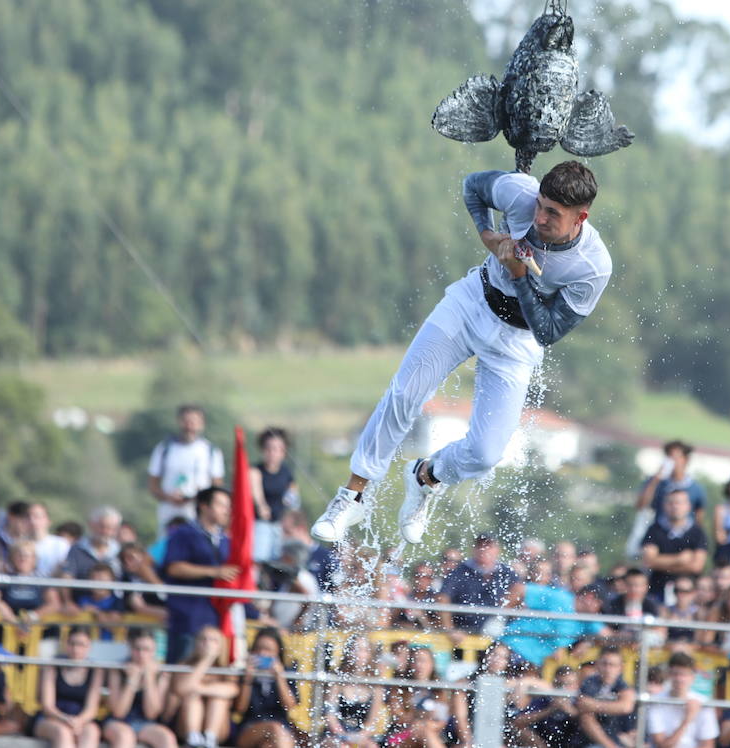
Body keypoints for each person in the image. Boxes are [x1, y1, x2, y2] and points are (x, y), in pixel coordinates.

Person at [311, 162, 612, 544]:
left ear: (580, 218)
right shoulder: (519, 193)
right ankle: (352, 496)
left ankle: (425, 477)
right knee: (405, 392)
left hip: (517, 342)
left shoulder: (593, 266)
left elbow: (548, 330)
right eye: (540, 205)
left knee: (486, 453)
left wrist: (520, 276)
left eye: (552, 213)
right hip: (472, 303)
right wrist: (487, 233)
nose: (539, 217)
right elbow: (473, 186)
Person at [163, 486, 238, 663]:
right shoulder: (183, 533)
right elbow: (174, 567)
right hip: (188, 616)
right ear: (204, 506)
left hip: (216, 617)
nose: (226, 510)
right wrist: (215, 572)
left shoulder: (226, 540)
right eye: (221, 504)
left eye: (228, 505)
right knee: (181, 668)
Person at [148, 404, 225, 532]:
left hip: (198, 510)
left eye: (194, 422)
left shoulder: (211, 451)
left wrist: (200, 497)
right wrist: (168, 497)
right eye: (186, 421)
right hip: (170, 511)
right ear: (179, 422)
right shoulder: (164, 449)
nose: (190, 426)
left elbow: (216, 485)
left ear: (201, 424)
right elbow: (153, 484)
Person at [103, 628, 177, 748]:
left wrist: (149, 678)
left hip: (146, 723)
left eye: (146, 649)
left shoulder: (161, 674)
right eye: (137, 649)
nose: (142, 654)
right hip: (118, 723)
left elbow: (151, 713)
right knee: (125, 737)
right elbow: (119, 712)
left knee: (167, 738)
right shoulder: (117, 670)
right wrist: (132, 680)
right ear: (131, 649)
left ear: (153, 651)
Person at [34, 626, 105, 748]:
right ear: (66, 644)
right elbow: (48, 706)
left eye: (81, 645)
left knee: (92, 731)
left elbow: (91, 709)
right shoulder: (53, 666)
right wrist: (67, 720)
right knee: (63, 733)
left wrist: (78, 721)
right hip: (52, 718)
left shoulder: (95, 670)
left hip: (81, 720)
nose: (76, 649)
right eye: (72, 644)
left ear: (89, 647)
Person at [438, 531, 518, 634]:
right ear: (474, 549)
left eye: (489, 546)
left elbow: (519, 589)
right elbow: (443, 598)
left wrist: (498, 616)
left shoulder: (506, 572)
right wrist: (450, 630)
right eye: (480, 545)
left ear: (497, 550)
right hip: (463, 631)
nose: (484, 549)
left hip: (496, 633)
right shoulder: (460, 571)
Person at [232, 628, 299, 748]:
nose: (262, 653)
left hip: (280, 729)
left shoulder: (287, 673)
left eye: (268, 649)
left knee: (267, 745)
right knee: (274, 728)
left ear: (278, 653)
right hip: (250, 727)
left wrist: (279, 678)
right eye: (258, 648)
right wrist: (247, 680)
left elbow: (289, 705)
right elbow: (240, 708)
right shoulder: (244, 674)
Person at [173, 625, 239, 748]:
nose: (207, 643)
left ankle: (210, 738)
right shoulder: (184, 665)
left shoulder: (226, 670)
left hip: (219, 731)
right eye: (203, 639)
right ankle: (193, 739)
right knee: (192, 697)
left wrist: (198, 688)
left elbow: (232, 690)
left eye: (213, 640)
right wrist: (206, 660)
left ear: (221, 645)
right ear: (196, 643)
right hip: (185, 727)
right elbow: (181, 689)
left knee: (218, 699)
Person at [641, 488, 709, 600]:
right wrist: (679, 559)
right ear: (664, 505)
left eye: (679, 503)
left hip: (689, 593)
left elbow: (697, 566)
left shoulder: (698, 532)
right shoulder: (654, 530)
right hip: (657, 589)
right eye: (671, 502)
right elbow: (648, 561)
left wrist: (661, 562)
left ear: (688, 506)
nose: (675, 506)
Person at [647, 652, 719, 748]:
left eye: (684, 674)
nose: (679, 679)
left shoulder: (703, 702)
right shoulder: (656, 701)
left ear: (692, 677)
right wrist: (687, 719)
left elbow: (708, 744)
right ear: (668, 675)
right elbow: (661, 745)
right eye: (675, 674)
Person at [322, 634, 382, 748]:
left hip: (361, 735)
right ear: (348, 653)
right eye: (355, 649)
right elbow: (330, 716)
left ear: (370, 654)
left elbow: (372, 721)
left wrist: (361, 736)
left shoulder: (376, 684)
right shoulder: (337, 680)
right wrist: (343, 735)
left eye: (364, 650)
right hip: (336, 735)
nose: (359, 654)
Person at [249, 427, 299, 562]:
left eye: (277, 449)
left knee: (276, 559)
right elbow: (256, 494)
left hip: (278, 523)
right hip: (259, 522)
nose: (272, 453)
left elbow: (292, 493)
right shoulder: (255, 471)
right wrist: (261, 506)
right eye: (269, 448)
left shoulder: (286, 471)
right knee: (260, 558)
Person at [576, 647, 637, 748]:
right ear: (597, 665)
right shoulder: (589, 682)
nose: (608, 669)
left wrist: (594, 705)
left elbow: (626, 707)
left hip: (620, 740)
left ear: (621, 667)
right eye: (604, 664)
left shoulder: (622, 684)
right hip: (592, 742)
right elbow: (585, 716)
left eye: (612, 665)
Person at [638, 440, 708, 526]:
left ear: (685, 460)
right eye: (669, 457)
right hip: (659, 533)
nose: (672, 461)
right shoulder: (657, 482)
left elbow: (699, 519)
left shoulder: (696, 489)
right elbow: (641, 505)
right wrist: (655, 481)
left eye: (676, 457)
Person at [28, 501, 72, 577]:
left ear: (48, 520)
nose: (32, 521)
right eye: (28, 517)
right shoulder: (17, 543)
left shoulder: (61, 544)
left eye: (37, 516)